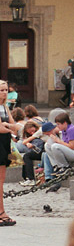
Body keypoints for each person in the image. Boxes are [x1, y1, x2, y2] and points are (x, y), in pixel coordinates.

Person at [0, 80, 17, 225]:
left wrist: (9, 126)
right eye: (1, 90)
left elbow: (13, 126)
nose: (4, 92)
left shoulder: (5, 107)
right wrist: (10, 127)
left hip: (5, 143)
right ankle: (1, 212)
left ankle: (1, 211)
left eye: (6, 90)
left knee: (1, 180)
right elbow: (1, 128)